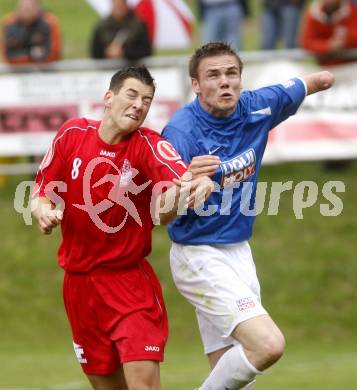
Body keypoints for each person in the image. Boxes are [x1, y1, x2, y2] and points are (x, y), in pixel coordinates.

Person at [162, 42, 335, 389]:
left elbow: (313, 80)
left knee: (237, 376)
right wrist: (185, 185)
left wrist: (328, 76)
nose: (225, 82)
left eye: (231, 73)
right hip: (198, 255)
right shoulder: (181, 132)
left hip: (239, 254)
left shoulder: (258, 106)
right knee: (268, 345)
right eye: (213, 75)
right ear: (195, 84)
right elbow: (160, 212)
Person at [31, 65, 213, 390]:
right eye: (132, 95)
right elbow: (41, 190)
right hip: (79, 288)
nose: (139, 104)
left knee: (142, 386)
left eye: (147, 99)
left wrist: (192, 187)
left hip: (129, 287)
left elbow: (178, 178)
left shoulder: (146, 144)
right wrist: (43, 211)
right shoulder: (72, 133)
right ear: (108, 98)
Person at [300, 0, 357, 66]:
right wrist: (328, 45)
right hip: (324, 67)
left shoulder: (352, 10)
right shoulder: (313, 14)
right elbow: (307, 42)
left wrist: (345, 40)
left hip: (350, 66)